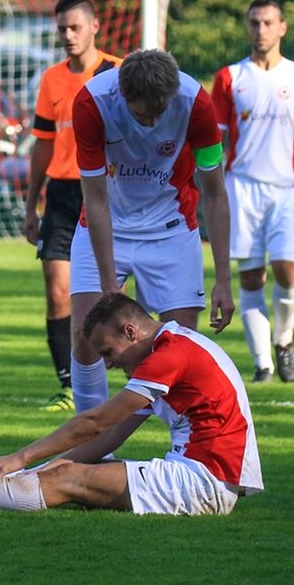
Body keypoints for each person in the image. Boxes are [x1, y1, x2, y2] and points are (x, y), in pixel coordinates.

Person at [0, 292, 262, 515]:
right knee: (65, 469)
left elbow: (95, 422)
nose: (110, 364)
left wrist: (21, 458)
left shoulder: (169, 355)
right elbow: (108, 436)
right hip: (198, 475)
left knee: (66, 480)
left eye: (109, 352)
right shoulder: (170, 349)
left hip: (203, 484)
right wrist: (49, 462)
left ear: (131, 331)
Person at [67, 49, 235, 417]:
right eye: (144, 113)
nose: (153, 120)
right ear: (124, 96)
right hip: (105, 223)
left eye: (161, 112)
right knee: (85, 336)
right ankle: (94, 452)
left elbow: (215, 192)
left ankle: (184, 448)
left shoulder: (197, 105)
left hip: (171, 229)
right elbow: (94, 199)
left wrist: (223, 277)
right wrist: (110, 285)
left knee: (180, 344)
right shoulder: (91, 103)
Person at [211, 0, 294, 384]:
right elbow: (215, 143)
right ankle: (262, 364)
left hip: (287, 189)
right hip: (241, 187)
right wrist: (209, 193)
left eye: (268, 23)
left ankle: (284, 339)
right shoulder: (230, 77)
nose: (260, 30)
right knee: (250, 276)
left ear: (283, 28)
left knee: (287, 272)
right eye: (254, 23)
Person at [22, 0, 123, 412]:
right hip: (63, 196)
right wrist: (31, 204)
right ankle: (68, 383)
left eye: (74, 27)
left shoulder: (118, 73)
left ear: (95, 27)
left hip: (107, 192)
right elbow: (43, 145)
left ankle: (121, 370)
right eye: (61, 27)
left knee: (108, 293)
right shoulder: (52, 80)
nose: (67, 35)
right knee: (58, 290)